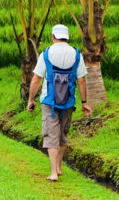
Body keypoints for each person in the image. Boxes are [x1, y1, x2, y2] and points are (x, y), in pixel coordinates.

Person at [26, 24, 91, 181]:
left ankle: (54, 172)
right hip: (69, 101)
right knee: (62, 133)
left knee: (51, 135)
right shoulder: (76, 54)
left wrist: (31, 99)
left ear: (53, 36)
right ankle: (59, 167)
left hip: (49, 101)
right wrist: (84, 102)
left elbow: (36, 79)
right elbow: (81, 81)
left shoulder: (47, 54)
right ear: (67, 37)